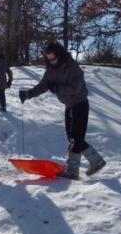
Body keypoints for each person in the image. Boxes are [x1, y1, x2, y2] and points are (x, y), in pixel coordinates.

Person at [19, 41, 106, 179]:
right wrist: (28, 94)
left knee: (75, 138)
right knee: (72, 137)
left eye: (53, 58)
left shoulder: (72, 67)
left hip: (80, 104)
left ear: (59, 54)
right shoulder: (51, 71)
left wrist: (57, 88)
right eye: (49, 59)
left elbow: (75, 87)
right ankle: (96, 161)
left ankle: (73, 170)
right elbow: (43, 86)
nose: (51, 61)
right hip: (69, 106)